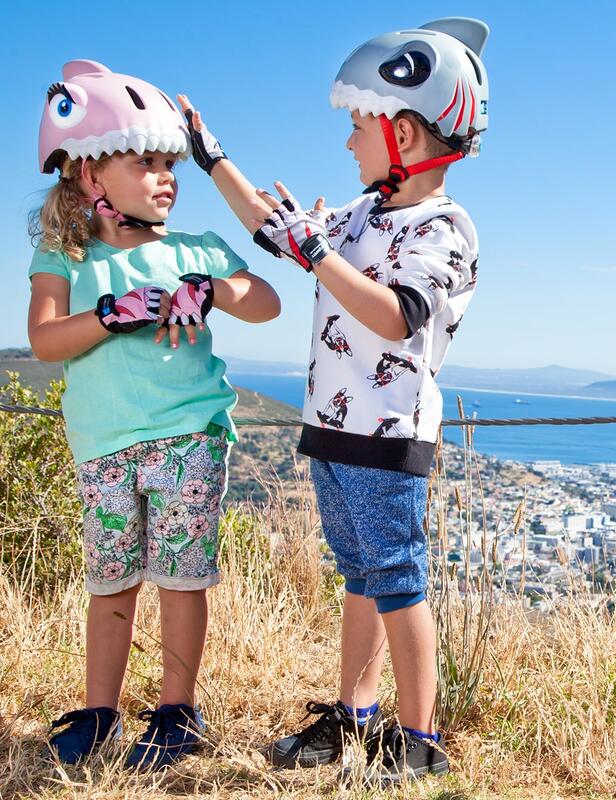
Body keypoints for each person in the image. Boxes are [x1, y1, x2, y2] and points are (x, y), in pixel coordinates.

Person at [181, 16, 489, 784]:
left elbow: (394, 313)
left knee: (397, 580)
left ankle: (417, 738)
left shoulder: (444, 228)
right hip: (332, 429)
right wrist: (212, 160)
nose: (349, 144)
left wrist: (318, 252)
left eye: (360, 127)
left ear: (408, 136)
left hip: (387, 438)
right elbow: (269, 227)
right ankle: (354, 717)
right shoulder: (358, 217)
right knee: (360, 576)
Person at [28, 59, 280, 770]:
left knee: (180, 578)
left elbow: (266, 302)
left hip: (187, 439)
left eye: (172, 164)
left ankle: (176, 712)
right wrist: (111, 313)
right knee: (109, 583)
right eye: (147, 162)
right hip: (103, 444)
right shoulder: (66, 253)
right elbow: (46, 339)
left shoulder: (196, 250)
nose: (167, 176)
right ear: (90, 177)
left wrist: (212, 288)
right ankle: (100, 713)